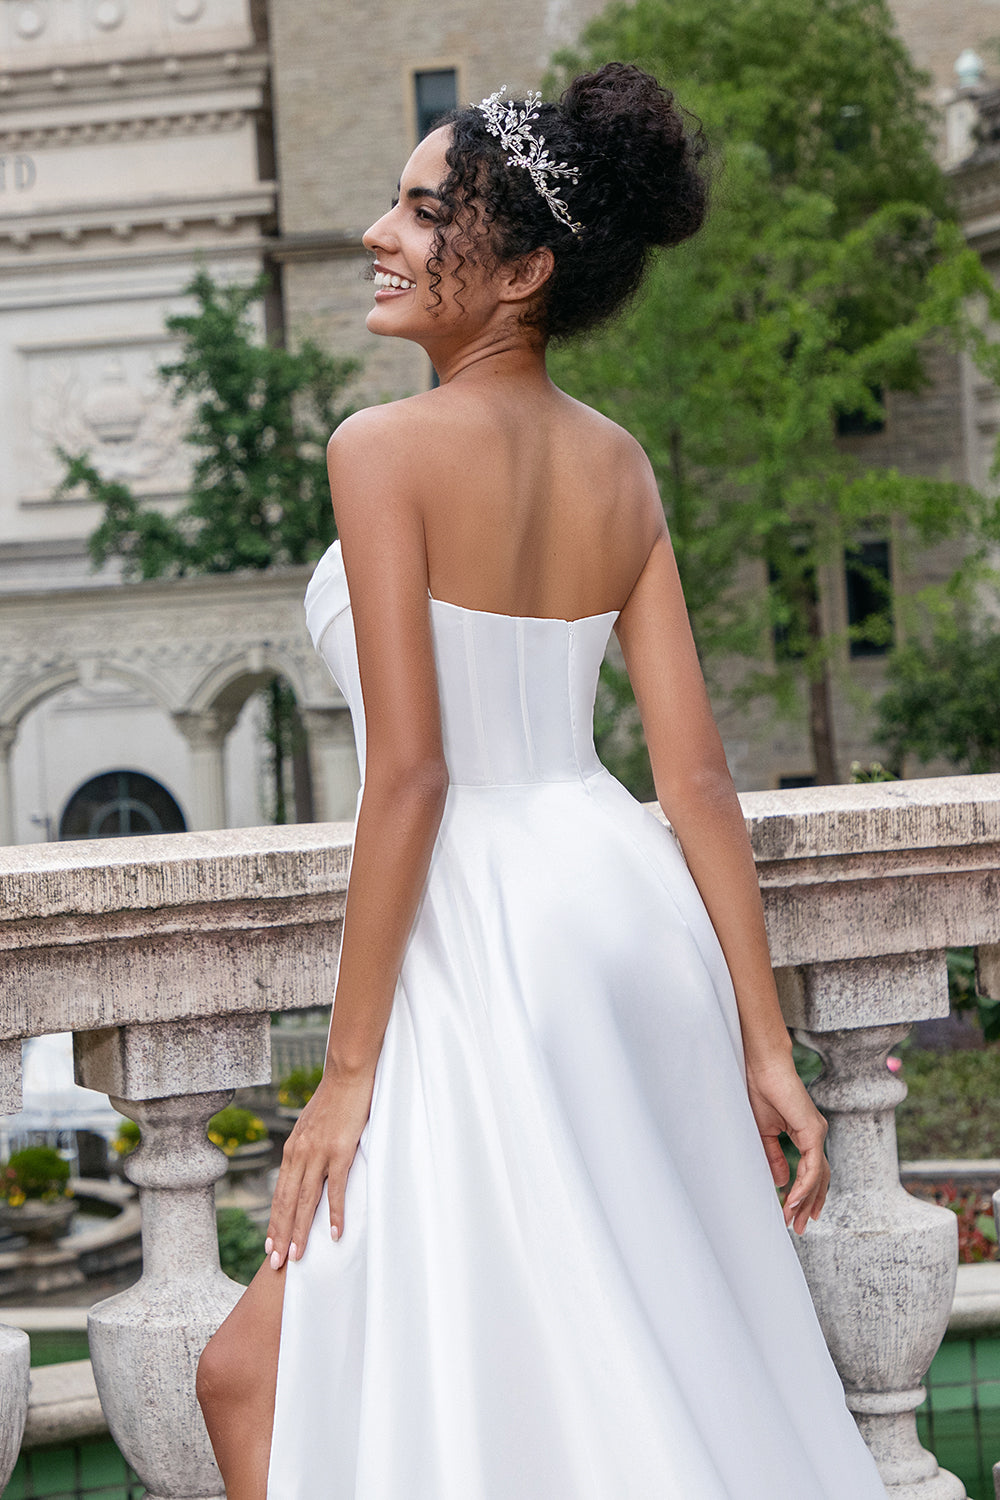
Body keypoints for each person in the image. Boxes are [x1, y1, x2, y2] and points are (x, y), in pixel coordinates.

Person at [196, 63, 889, 1500]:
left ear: (522, 272)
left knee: (303, 1376)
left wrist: (343, 1078)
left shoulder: (379, 450)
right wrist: (763, 1041)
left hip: (482, 940)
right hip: (625, 921)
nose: (379, 233)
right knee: (584, 1353)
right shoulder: (619, 464)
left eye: (421, 210)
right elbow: (695, 778)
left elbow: (411, 777)